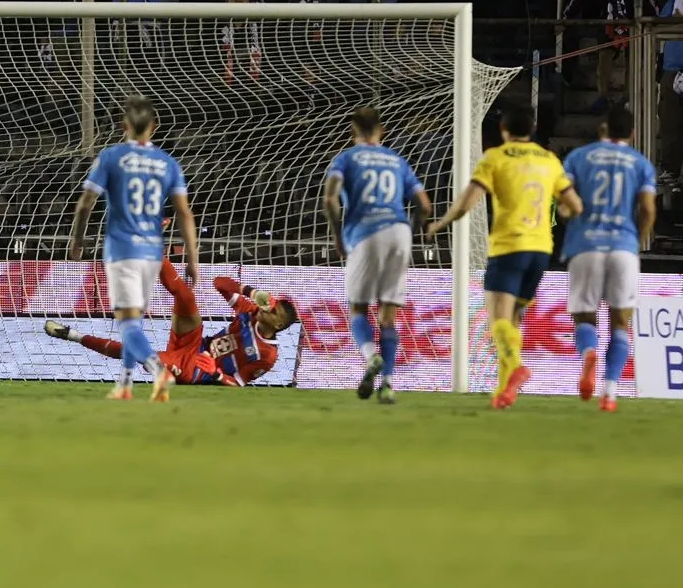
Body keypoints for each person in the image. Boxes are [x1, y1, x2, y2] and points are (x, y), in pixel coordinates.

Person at [425, 105, 583, 409]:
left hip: (509, 247)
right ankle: (504, 391)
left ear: (504, 131)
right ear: (531, 130)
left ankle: (517, 367)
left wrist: (441, 223)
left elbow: (468, 201)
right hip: (540, 251)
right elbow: (573, 206)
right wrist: (562, 210)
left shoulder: (495, 157)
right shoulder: (549, 160)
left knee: (497, 319)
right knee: (513, 321)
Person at [63, 97, 195, 401]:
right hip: (152, 253)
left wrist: (77, 239)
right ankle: (124, 384)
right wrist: (193, 259)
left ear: (123, 126)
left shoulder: (111, 157)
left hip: (122, 249)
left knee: (128, 321)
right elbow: (185, 214)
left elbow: (85, 204)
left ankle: (156, 369)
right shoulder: (167, 162)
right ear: (155, 127)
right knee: (133, 320)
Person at [322, 107, 432, 404]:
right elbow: (424, 204)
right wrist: (420, 229)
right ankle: (388, 384)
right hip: (399, 231)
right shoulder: (398, 161)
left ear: (351, 132)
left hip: (364, 232)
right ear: (381, 131)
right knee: (388, 316)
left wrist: (337, 234)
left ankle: (371, 357)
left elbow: (330, 198)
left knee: (358, 309)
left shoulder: (345, 159)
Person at [45, 266, 300, 387]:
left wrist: (216, 373)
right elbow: (220, 283)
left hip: (196, 369)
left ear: (278, 323)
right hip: (196, 342)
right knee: (186, 296)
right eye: (272, 304)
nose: (269, 307)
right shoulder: (251, 312)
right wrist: (252, 292)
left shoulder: (268, 356)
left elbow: (239, 383)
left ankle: (74, 336)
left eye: (274, 310)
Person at [560, 107, 656, 413]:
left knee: (585, 317)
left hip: (585, 244)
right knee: (620, 323)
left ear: (603, 129)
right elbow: (649, 210)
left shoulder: (578, 157)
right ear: (632, 133)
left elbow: (563, 197)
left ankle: (588, 352)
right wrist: (636, 241)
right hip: (623, 246)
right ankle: (610, 391)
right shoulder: (641, 164)